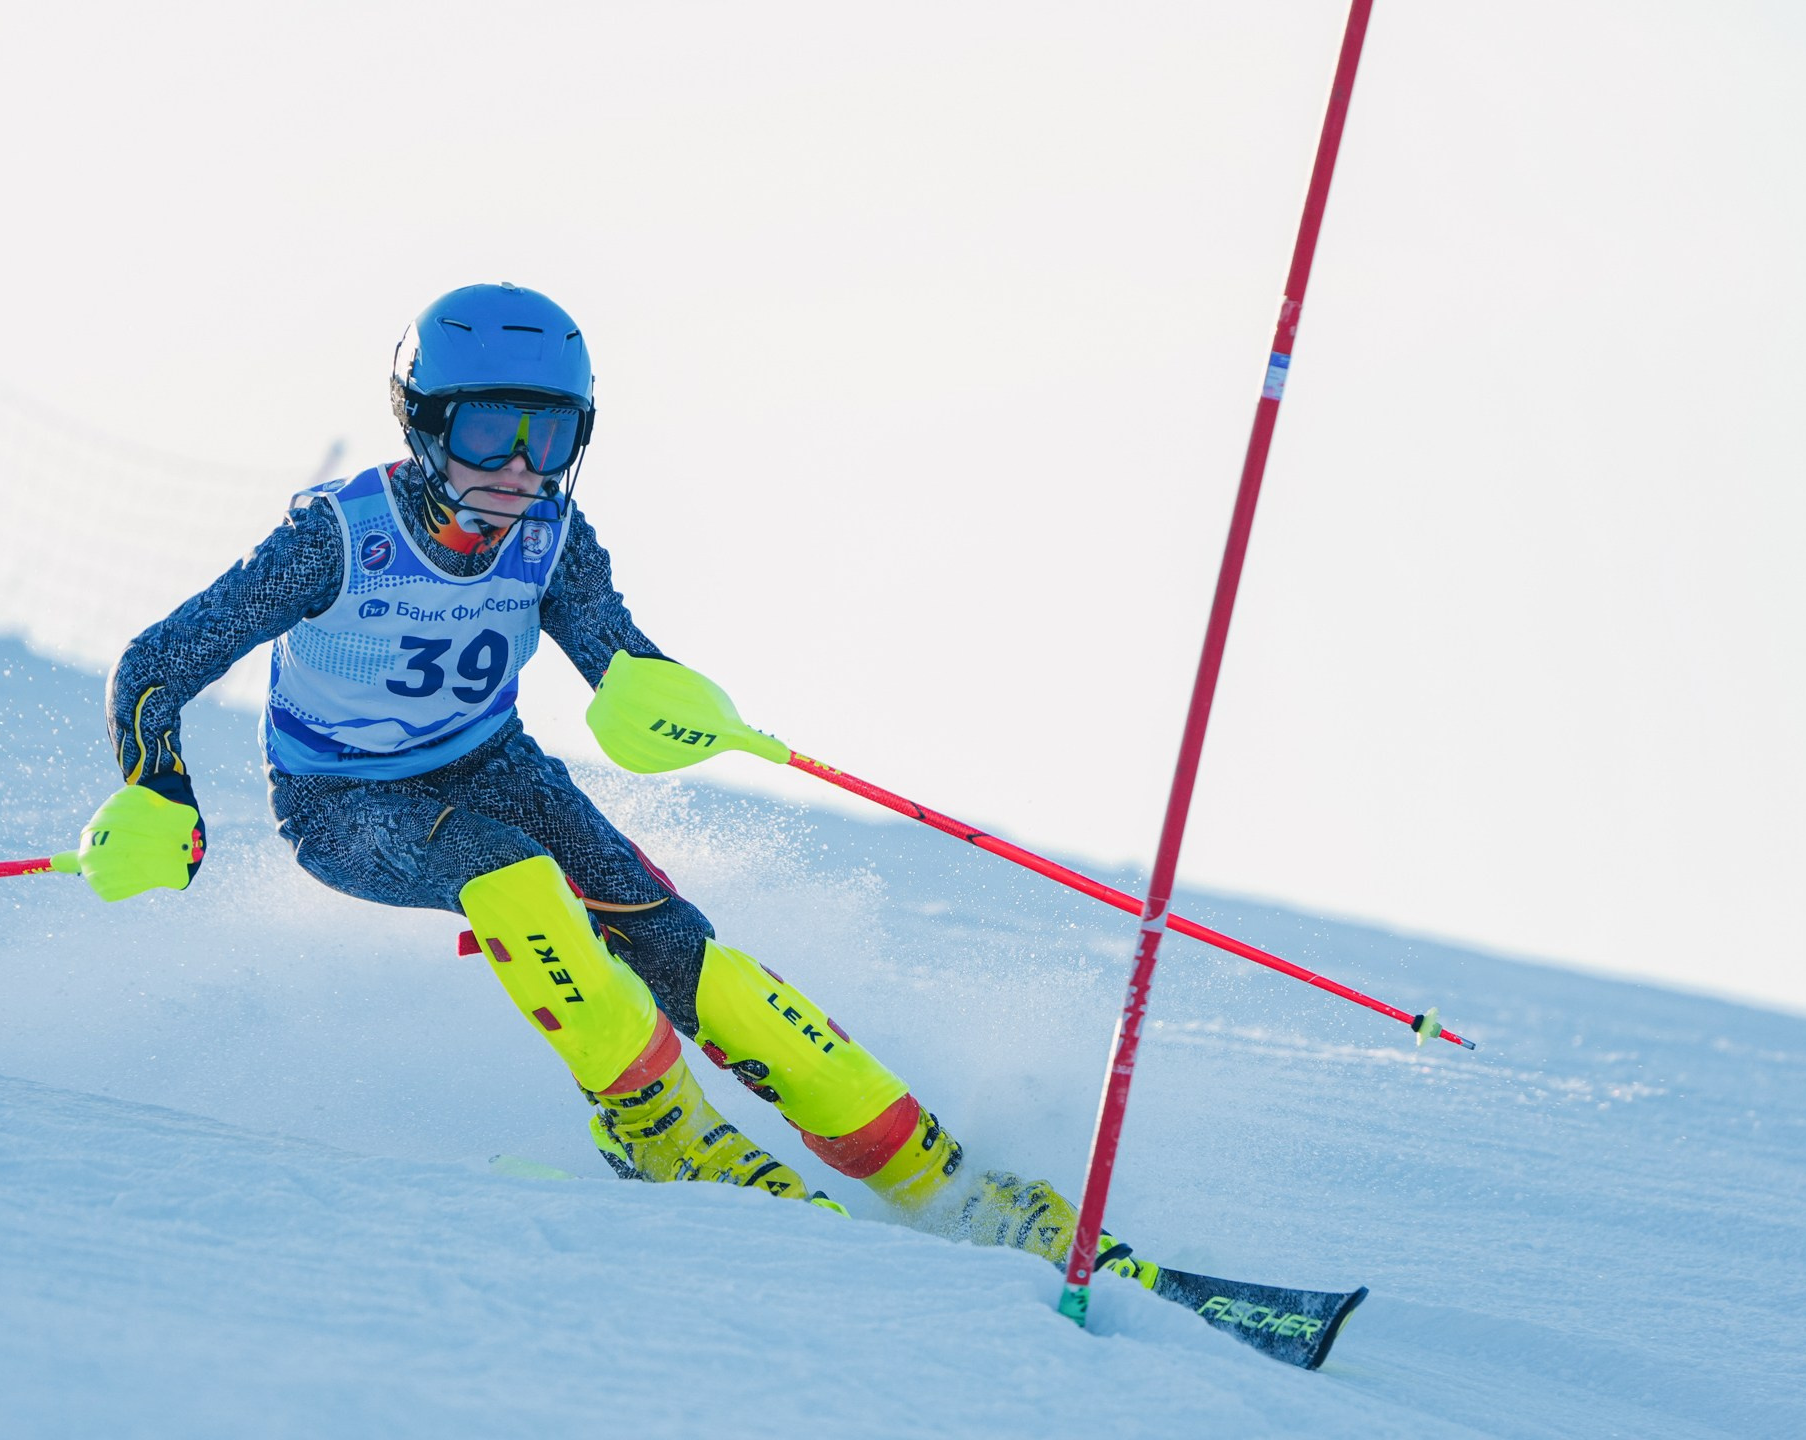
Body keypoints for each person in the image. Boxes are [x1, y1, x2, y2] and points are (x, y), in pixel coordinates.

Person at [75, 282, 1156, 1288]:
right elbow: (157, 665)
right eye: (486, 428)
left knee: (683, 950)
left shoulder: (552, 538)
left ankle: (935, 1175)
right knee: (510, 876)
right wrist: (157, 787)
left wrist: (668, 698)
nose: (517, 464)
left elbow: (615, 660)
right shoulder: (336, 539)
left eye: (549, 436)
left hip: (495, 767)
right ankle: (657, 1131)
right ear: (421, 420)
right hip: (343, 805)